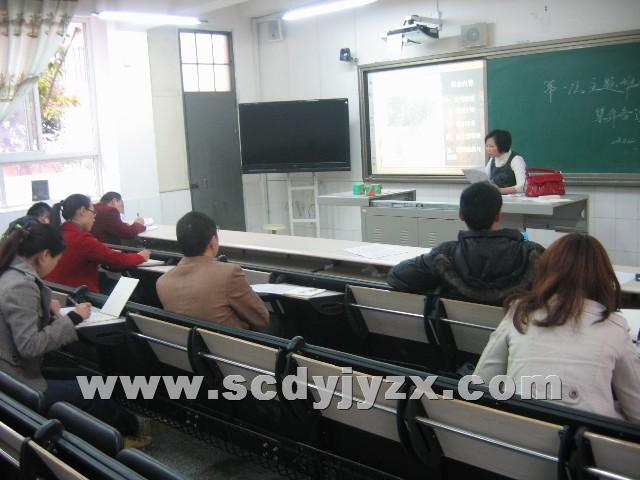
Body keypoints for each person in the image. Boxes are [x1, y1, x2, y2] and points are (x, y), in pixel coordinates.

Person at [474, 234, 640, 422]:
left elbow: (481, 382)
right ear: (603, 276)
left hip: (518, 431)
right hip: (585, 437)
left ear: (547, 269)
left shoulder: (520, 313)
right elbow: (637, 410)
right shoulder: (615, 328)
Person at [0, 217, 142, 435]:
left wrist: (44, 307)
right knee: (92, 390)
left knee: (89, 378)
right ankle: (127, 435)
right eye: (57, 259)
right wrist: (73, 318)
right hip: (17, 380)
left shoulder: (9, 272)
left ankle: (119, 427)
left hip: (12, 372)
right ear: (45, 255)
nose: (56, 265)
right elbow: (29, 346)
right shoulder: (21, 285)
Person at [387, 182, 544, 305]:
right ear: (498, 216)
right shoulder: (532, 254)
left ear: (461, 215)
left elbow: (397, 276)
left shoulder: (445, 256)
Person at [156, 211, 269, 330]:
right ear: (212, 241)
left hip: (189, 342)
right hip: (231, 341)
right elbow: (261, 319)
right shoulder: (228, 274)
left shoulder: (162, 282)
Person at [46, 194, 150, 293]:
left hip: (57, 292)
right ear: (82, 211)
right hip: (79, 297)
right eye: (93, 212)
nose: (94, 217)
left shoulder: (59, 233)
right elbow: (116, 259)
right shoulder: (82, 240)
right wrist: (140, 256)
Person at [484, 129, 526, 195]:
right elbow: (485, 178)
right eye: (487, 146)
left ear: (502, 146)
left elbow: (522, 186)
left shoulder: (516, 159)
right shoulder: (492, 160)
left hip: (514, 199)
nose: (488, 149)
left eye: (491, 146)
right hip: (496, 197)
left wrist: (500, 191)